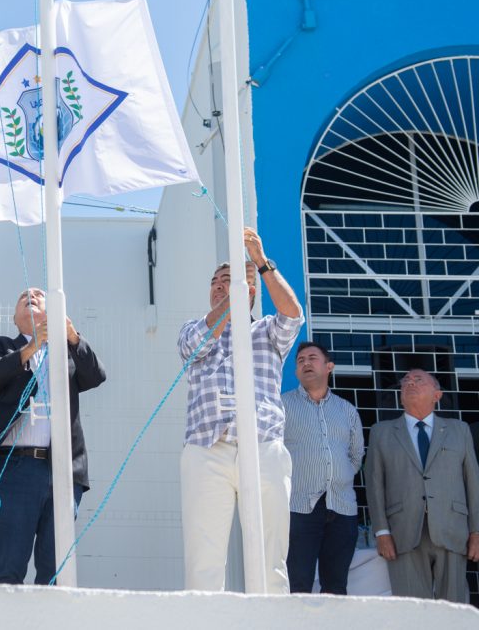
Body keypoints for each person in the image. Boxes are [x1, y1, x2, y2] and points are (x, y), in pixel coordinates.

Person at [177, 227, 304, 594]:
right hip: (207, 447)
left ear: (249, 291)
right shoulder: (194, 329)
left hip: (263, 445)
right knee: (204, 562)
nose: (220, 285)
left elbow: (293, 314)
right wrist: (232, 299)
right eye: (215, 281)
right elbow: (194, 345)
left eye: (228, 280)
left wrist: (262, 265)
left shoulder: (266, 331)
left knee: (270, 561)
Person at [0, 287, 106, 585]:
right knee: (10, 567)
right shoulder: (1, 345)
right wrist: (30, 349)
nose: (31, 295)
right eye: (23, 297)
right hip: (18, 467)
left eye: (40, 296)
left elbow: (95, 376)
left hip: (64, 470)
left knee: (54, 571)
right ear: (15, 319)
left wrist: (73, 337)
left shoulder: (67, 349)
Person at [364, 369, 479, 602]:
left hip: (452, 529)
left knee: (453, 608)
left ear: (437, 395)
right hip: (402, 533)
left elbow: (472, 482)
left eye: (419, 380)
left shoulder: (459, 430)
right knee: (412, 613)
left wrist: (476, 531)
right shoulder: (381, 432)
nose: (410, 383)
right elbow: (374, 483)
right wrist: (382, 532)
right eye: (405, 381)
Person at [281, 341, 364, 594]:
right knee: (298, 584)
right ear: (296, 372)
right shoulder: (281, 406)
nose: (305, 363)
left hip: (342, 508)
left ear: (329, 366)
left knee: (337, 587)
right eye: (300, 360)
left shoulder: (346, 410)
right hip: (298, 508)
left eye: (312, 358)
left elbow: (356, 455)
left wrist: (339, 477)